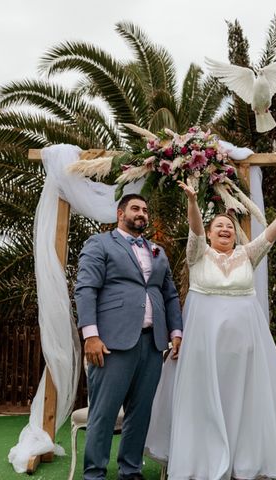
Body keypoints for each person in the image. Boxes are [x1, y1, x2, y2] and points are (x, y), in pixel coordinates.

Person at [145, 182, 276, 479]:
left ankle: (242, 460)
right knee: (204, 401)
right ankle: (202, 460)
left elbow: (268, 237)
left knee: (241, 401)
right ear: (210, 233)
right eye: (219, 226)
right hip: (203, 348)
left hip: (242, 349)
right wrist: (193, 202)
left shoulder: (247, 255)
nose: (225, 230)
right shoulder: (198, 254)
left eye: (230, 227)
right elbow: (194, 228)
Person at [75, 193, 183, 480]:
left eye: (146, 210)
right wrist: (91, 336)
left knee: (140, 412)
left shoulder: (158, 251)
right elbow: (86, 289)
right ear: (120, 213)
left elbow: (170, 295)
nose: (142, 213)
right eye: (135, 208)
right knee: (104, 412)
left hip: (152, 344)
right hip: (112, 343)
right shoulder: (99, 244)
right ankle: (94, 473)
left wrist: (175, 332)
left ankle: (130, 469)